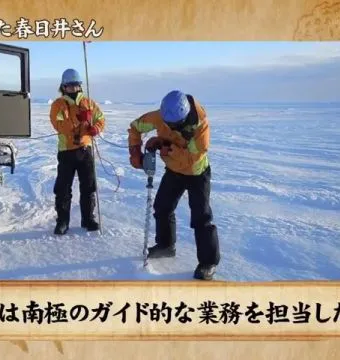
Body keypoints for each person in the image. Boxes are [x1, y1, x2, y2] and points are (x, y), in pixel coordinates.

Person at [127, 90, 220, 280]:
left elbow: (191, 159)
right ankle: (166, 245)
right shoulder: (160, 116)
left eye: (174, 125)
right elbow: (135, 127)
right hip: (173, 171)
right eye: (166, 123)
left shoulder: (200, 127)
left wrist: (163, 145)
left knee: (201, 217)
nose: (168, 126)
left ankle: (208, 263)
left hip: (197, 173)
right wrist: (135, 150)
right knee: (162, 207)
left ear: (184, 117)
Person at [49, 68, 105, 235]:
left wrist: (95, 128)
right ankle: (62, 221)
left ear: (80, 86)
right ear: (63, 87)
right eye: (69, 86)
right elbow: (57, 124)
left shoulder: (88, 103)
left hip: (85, 150)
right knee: (63, 188)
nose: (73, 88)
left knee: (88, 187)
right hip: (67, 151)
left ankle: (88, 219)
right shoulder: (58, 104)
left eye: (76, 85)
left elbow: (101, 118)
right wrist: (76, 122)